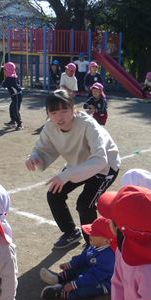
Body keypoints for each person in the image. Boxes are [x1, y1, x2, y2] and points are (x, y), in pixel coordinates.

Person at [25, 90, 121, 249]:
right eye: (53, 112)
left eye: (64, 110)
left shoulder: (88, 124)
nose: (59, 117)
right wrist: (34, 157)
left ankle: (94, 245)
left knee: (85, 204)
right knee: (54, 194)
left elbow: (100, 159)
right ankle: (71, 232)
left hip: (105, 167)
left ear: (73, 109)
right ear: (48, 113)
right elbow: (42, 148)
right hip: (78, 164)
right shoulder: (50, 127)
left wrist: (66, 175)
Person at [40, 216, 115, 300]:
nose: (90, 234)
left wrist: (75, 284)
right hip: (90, 270)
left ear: (107, 240)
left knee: (85, 291)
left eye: (94, 234)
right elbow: (83, 257)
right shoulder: (95, 245)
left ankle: (60, 292)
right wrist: (70, 264)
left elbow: (94, 276)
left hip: (102, 281)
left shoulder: (109, 258)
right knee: (76, 267)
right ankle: (57, 278)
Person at [1, 62, 23, 130]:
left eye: (4, 69)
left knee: (15, 110)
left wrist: (5, 79)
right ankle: (13, 121)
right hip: (16, 95)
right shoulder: (14, 76)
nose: (3, 71)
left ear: (8, 70)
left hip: (16, 96)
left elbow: (3, 85)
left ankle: (19, 124)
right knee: (11, 108)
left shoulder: (9, 79)